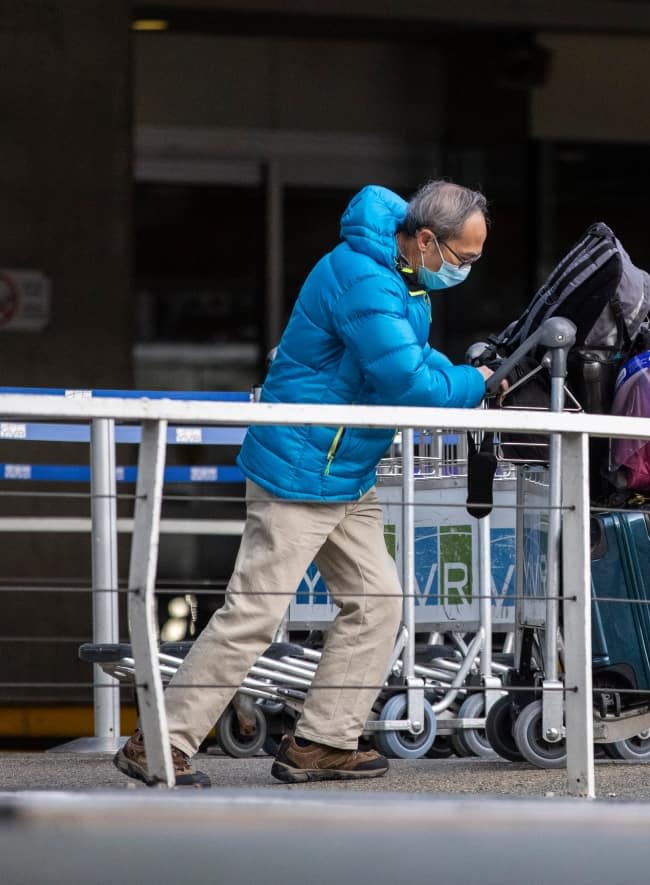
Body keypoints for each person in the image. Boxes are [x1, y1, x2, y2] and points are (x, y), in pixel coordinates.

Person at [115, 181, 496, 787]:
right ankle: (159, 743)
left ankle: (323, 742)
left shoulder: (398, 272)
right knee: (254, 614)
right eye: (464, 258)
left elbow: (413, 363)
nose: (467, 269)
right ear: (426, 238)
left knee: (377, 603)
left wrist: (468, 374)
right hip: (303, 468)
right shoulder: (366, 277)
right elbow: (406, 381)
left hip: (343, 469)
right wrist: (474, 384)